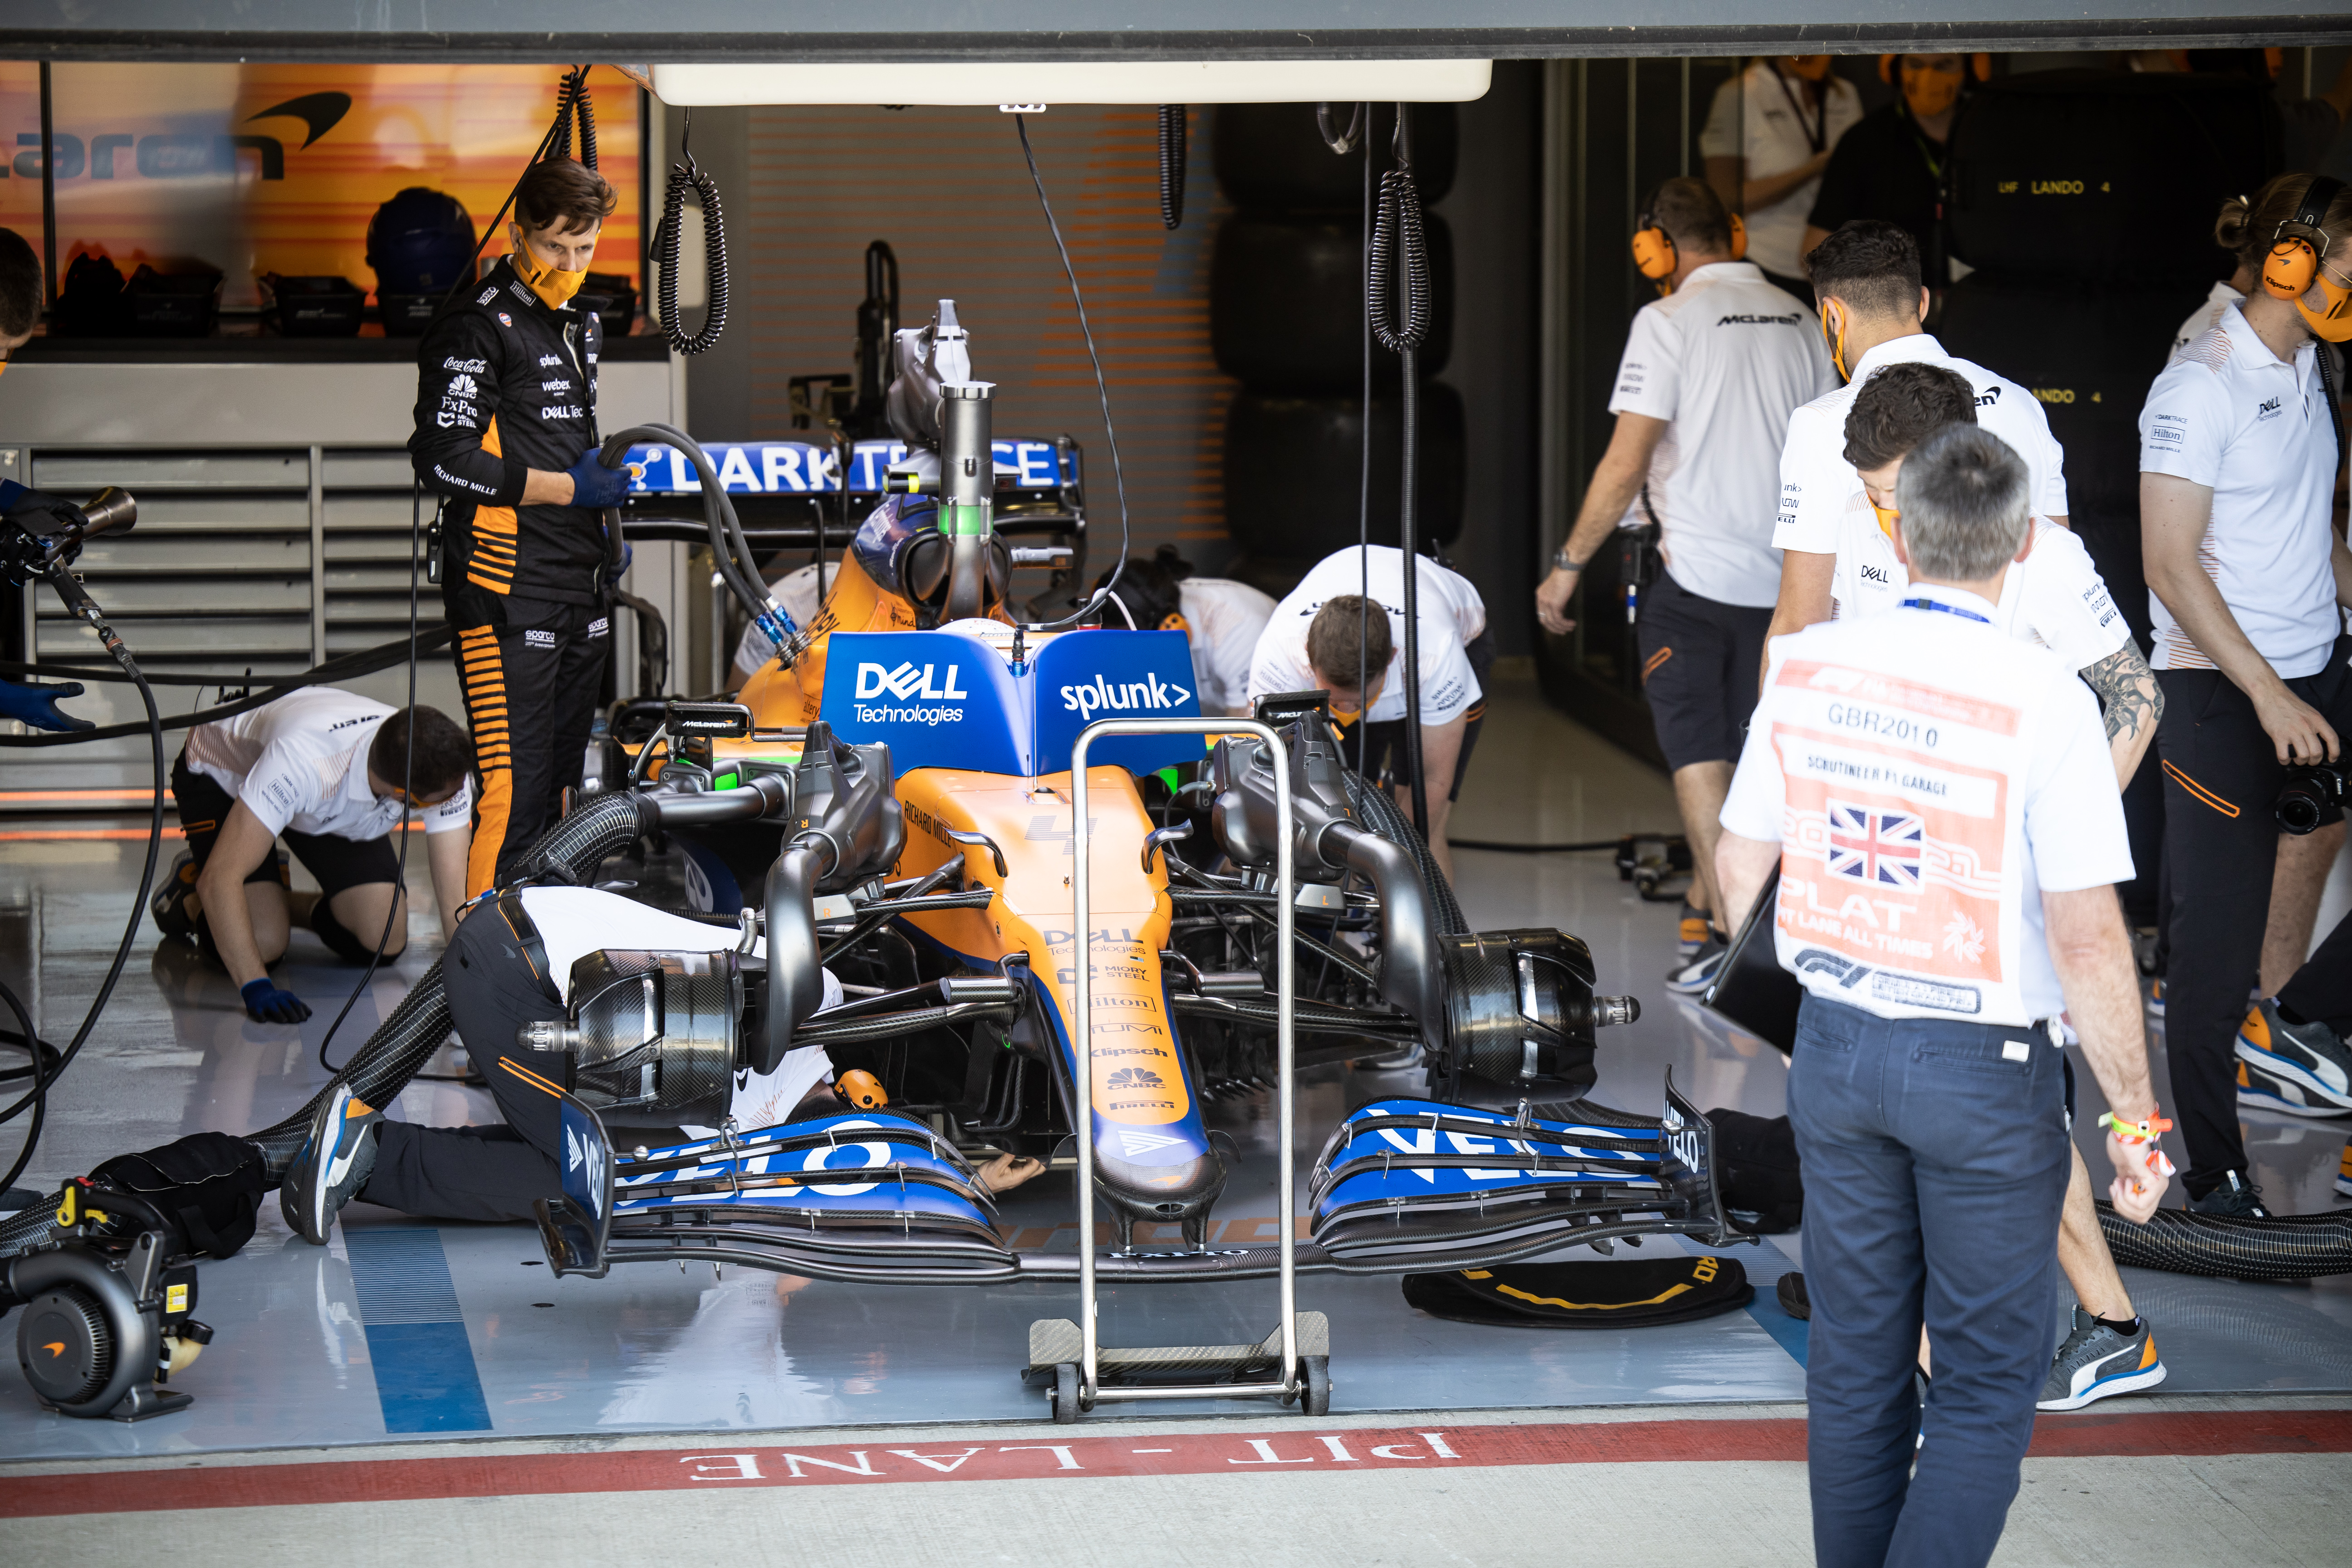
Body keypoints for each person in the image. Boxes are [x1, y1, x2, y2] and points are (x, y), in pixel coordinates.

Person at [1715, 423, 2168, 1568]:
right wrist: (2132, 1115)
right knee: (1981, 1384)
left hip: (1836, 1048)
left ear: (1894, 528)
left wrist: (1818, 1005)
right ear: (2021, 545)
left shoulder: (1806, 664)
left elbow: (1737, 862)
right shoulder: (2045, 698)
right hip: (1983, 1070)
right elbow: (2086, 935)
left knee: (1857, 1365)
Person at [1835, 363, 2169, 1411]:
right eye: (1870, 496)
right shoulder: (1872, 539)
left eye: (1891, 493)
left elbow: (2134, 696)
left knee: (1995, 1112)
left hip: (2007, 887)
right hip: (1909, 870)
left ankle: (2072, 1332)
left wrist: (2042, 841)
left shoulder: (2045, 556)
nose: (1879, 515)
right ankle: (2107, 1329)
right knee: (1973, 1107)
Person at [277, 885, 1039, 1239]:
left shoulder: (814, 1012)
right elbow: (834, 1182)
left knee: (588, 1172)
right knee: (617, 1175)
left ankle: (368, 1155)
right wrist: (955, 1184)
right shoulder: (798, 1021)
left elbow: (836, 1180)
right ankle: (364, 1151)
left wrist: (960, 1180)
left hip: (524, 950)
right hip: (523, 975)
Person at [1533, 177, 1834, 984]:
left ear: (1653, 249)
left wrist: (1566, 567)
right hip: (1793, 588)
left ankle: (1734, 950)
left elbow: (1626, 457)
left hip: (1694, 583)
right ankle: (1714, 898)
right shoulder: (1803, 317)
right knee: (1764, 757)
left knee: (1699, 753)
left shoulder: (1663, 321)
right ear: (1734, 233)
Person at [2137, 173, 2352, 1218]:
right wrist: (2266, 696)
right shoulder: (2198, 383)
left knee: (2250, 978)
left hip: (2317, 666)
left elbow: (2313, 534)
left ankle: (2302, 1013)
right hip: (2220, 692)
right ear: (2290, 261)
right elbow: (2170, 564)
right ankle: (2214, 1174)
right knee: (2211, 948)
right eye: (2351, 262)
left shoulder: (2317, 366)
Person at [411, 155, 637, 900]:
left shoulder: (580, 324)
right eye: (553, 248)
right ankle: (481, 973)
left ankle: (547, 965)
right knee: (514, 792)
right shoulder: (475, 324)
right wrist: (570, 489)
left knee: (565, 799)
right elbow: (442, 460)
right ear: (518, 232)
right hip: (503, 589)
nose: (570, 265)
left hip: (578, 583)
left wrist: (599, 518)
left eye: (585, 249)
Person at [1765, 220, 2071, 680]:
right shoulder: (2021, 402)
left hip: (1888, 710)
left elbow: (1799, 618)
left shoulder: (1823, 422)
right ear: (1923, 302)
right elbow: (2061, 570)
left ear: (1831, 316)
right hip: (2013, 705)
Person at [148, 690, 475, 1024]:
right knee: (264, 943)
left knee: (384, 936)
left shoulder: (440, 770)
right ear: (404, 796)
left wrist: (477, 989)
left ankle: (272, 898)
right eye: (438, 801)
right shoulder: (302, 765)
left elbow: (455, 901)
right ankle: (190, 898)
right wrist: (255, 986)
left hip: (315, 798)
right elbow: (221, 879)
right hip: (223, 776)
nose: (455, 796)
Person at [1246, 544, 1490, 880]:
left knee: (1424, 831)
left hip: (1455, 646)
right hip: (1354, 663)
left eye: (1357, 702)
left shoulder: (1435, 655)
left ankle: (1430, 930)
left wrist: (1384, 869)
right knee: (1324, 809)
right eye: (1336, 701)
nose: (1346, 711)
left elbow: (1434, 779)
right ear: (1308, 659)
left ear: (1391, 658)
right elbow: (1261, 777)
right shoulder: (1280, 655)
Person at [1802, 55, 1970, 292]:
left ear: (1972, 69)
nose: (1928, 77)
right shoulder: (1864, 141)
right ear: (1894, 69)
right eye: (1915, 65)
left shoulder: (1993, 137)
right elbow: (1815, 252)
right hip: (1895, 316)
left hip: (1981, 305)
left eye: (1944, 65)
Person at [1702, 56, 1864, 300]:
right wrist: (1811, 170)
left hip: (1839, 270)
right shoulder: (1739, 93)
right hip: (1767, 265)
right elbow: (1726, 199)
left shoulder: (1845, 94)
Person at [1096, 546, 1278, 719]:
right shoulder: (1166, 607)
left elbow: (1246, 733)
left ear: (1169, 625)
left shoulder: (1235, 626)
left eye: (1128, 643)